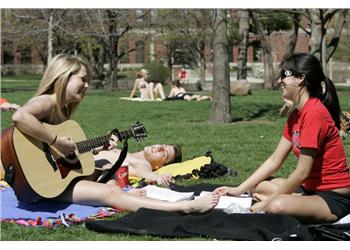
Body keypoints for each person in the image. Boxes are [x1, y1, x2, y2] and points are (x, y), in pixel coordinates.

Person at [8, 54, 219, 213]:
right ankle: (184, 208)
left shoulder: (61, 112)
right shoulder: (48, 101)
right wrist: (56, 140)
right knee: (110, 192)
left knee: (103, 174)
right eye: (82, 79)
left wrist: (93, 147)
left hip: (50, 182)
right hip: (39, 185)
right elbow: (20, 117)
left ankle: (126, 197)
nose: (87, 85)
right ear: (64, 76)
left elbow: (61, 154)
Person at [215, 53, 350, 224]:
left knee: (277, 205)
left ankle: (284, 202)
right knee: (258, 185)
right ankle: (290, 200)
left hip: (334, 197)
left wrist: (264, 204)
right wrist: (239, 189)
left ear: (300, 78)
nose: (280, 81)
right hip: (311, 189)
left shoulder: (314, 114)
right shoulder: (296, 116)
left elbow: (302, 172)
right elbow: (274, 160)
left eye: (284, 75)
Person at [95, 144, 182, 186]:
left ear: (158, 166)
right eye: (163, 145)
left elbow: (144, 172)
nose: (159, 147)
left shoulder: (142, 163)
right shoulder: (125, 153)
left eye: (164, 153)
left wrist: (159, 177)